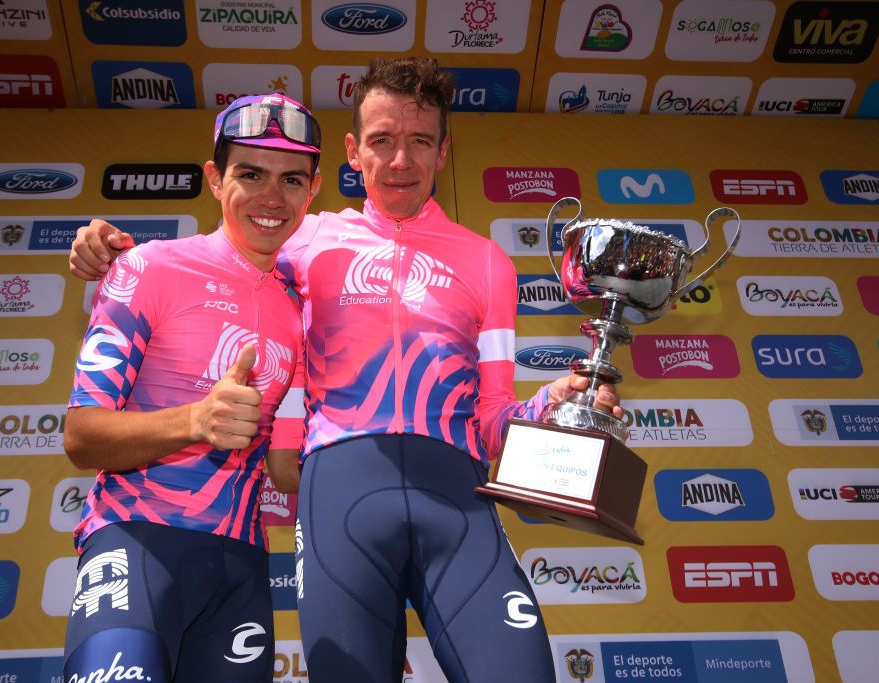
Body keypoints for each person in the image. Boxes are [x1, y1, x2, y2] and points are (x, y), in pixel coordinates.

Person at [69, 58, 622, 683]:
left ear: (444, 151)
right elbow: (219, 263)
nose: (400, 161)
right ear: (354, 154)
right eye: (382, 142)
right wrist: (107, 245)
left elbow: (493, 419)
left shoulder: (489, 263)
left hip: (458, 503)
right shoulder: (305, 242)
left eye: (419, 142)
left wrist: (550, 404)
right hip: (337, 502)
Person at [62, 93, 322, 683]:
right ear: (213, 178)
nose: (270, 198)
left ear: (314, 189)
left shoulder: (301, 310)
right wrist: (194, 421)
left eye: (291, 180)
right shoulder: (148, 266)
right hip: (136, 542)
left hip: (241, 568)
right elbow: (82, 436)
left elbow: (286, 465)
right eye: (249, 174)